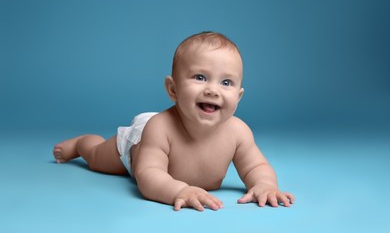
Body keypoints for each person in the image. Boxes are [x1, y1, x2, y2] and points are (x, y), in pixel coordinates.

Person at [53, 31, 295, 212]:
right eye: (200, 77)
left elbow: (256, 167)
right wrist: (179, 190)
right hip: (137, 145)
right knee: (97, 159)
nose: (213, 90)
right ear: (173, 89)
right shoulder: (159, 128)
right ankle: (82, 144)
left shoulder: (238, 132)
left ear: (239, 97)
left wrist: (264, 184)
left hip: (160, 137)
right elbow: (147, 174)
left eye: (226, 82)